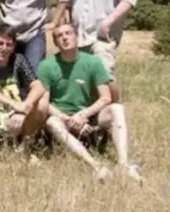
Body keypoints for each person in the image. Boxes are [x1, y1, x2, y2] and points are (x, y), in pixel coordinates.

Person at [38, 23, 142, 182]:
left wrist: (84, 115)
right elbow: (45, 102)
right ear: (56, 43)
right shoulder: (47, 66)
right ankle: (96, 166)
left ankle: (123, 165)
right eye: (60, 36)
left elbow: (106, 97)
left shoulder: (93, 62)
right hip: (63, 117)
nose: (65, 37)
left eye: (68, 33)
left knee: (116, 109)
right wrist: (68, 119)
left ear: (76, 37)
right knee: (52, 122)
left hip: (89, 116)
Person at [0, 24, 47, 142]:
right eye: (0, 43)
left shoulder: (19, 60)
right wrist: (12, 103)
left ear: (14, 46)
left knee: (42, 101)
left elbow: (38, 86)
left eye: (9, 44)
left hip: (18, 117)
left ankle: (25, 147)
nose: (4, 48)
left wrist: (24, 108)